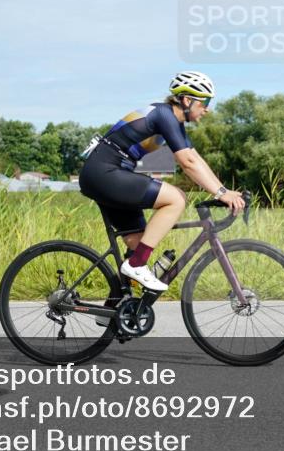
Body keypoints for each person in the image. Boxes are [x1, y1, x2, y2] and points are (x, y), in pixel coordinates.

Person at [79, 71, 245, 292]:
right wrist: (222, 193)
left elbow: (195, 158)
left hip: (104, 174)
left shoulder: (172, 121)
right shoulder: (164, 115)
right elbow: (187, 162)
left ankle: (116, 307)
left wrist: (224, 190)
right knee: (176, 199)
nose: (207, 108)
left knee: (138, 242)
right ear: (187, 100)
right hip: (106, 173)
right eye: (204, 102)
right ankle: (136, 265)